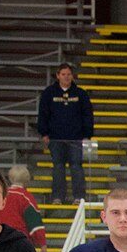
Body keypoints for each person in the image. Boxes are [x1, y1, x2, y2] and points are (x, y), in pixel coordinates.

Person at [36, 62, 96, 204]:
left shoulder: (81, 94)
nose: (66, 77)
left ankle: (79, 197)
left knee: (77, 167)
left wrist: (87, 135)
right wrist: (44, 133)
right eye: (63, 74)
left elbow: (88, 115)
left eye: (69, 74)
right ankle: (57, 197)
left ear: (72, 76)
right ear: (58, 76)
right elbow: (43, 114)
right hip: (55, 138)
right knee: (58, 168)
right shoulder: (48, 93)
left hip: (76, 139)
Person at [0, 165, 48, 252]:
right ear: (27, 179)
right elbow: (34, 222)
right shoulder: (26, 198)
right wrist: (42, 242)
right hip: (19, 240)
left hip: (0, 239)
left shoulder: (1, 195)